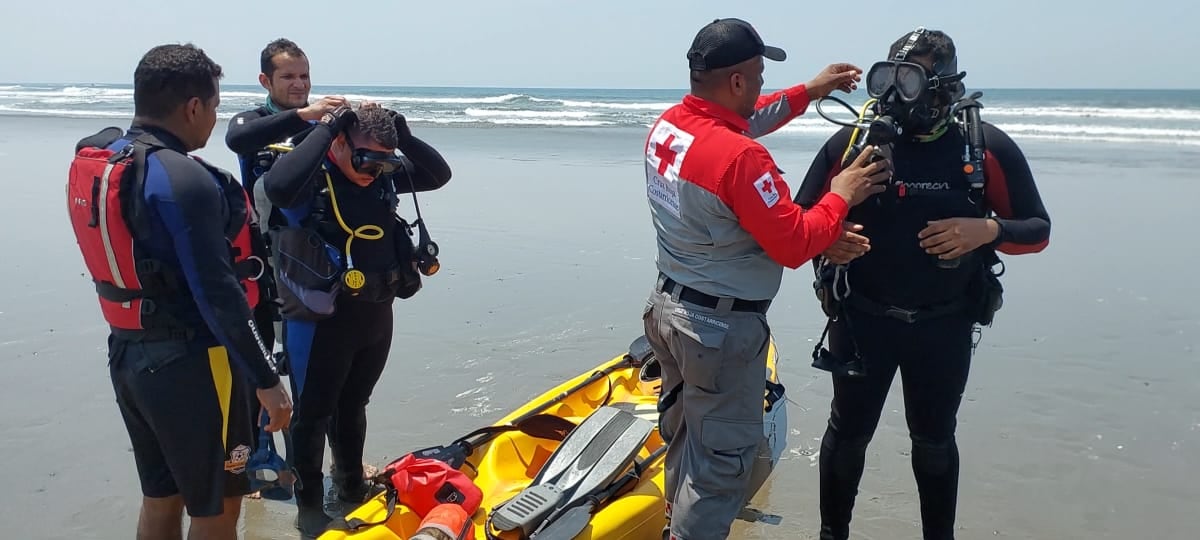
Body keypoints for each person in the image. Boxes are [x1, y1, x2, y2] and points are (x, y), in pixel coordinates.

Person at [793, 27, 1052, 540]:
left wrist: (987, 230)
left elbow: (1038, 231)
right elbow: (796, 223)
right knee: (848, 435)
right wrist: (826, 240)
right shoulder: (852, 147)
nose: (893, 95)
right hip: (862, 318)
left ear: (943, 88)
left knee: (934, 441)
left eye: (908, 81)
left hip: (943, 326)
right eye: (886, 78)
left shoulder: (983, 149)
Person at [639, 17, 892, 540]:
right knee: (720, 469)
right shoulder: (741, 159)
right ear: (735, 82)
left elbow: (747, 121)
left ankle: (672, 526)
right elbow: (794, 243)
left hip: (668, 310)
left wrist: (810, 92)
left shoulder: (672, 128)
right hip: (717, 331)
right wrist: (840, 193)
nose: (760, 88)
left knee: (686, 440)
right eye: (756, 76)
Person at [65, 43, 292, 540]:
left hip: (129, 356)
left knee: (162, 498)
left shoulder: (104, 159)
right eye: (213, 107)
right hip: (195, 364)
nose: (213, 120)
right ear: (194, 106)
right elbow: (218, 292)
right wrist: (266, 377)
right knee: (216, 509)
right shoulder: (184, 178)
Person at [261, 102, 452, 536]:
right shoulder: (310, 177)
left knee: (353, 406)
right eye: (366, 159)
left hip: (373, 313)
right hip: (319, 321)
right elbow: (278, 188)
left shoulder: (380, 172)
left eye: (385, 163)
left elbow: (438, 174)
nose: (374, 171)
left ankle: (349, 488)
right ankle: (309, 507)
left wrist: (400, 135)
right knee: (312, 415)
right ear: (341, 144)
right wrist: (327, 128)